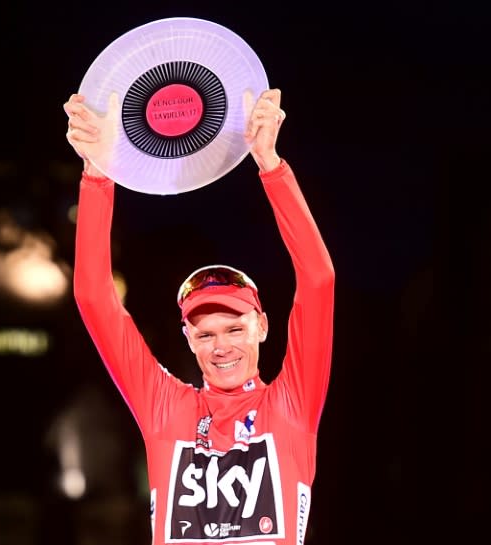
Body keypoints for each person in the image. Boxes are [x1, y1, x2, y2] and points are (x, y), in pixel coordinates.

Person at [64, 87, 335, 545]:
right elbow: (94, 297)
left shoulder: (290, 406)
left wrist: (270, 165)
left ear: (262, 327)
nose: (221, 345)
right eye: (206, 332)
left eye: (234, 327)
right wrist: (98, 173)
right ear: (187, 337)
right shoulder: (166, 407)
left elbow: (318, 281)